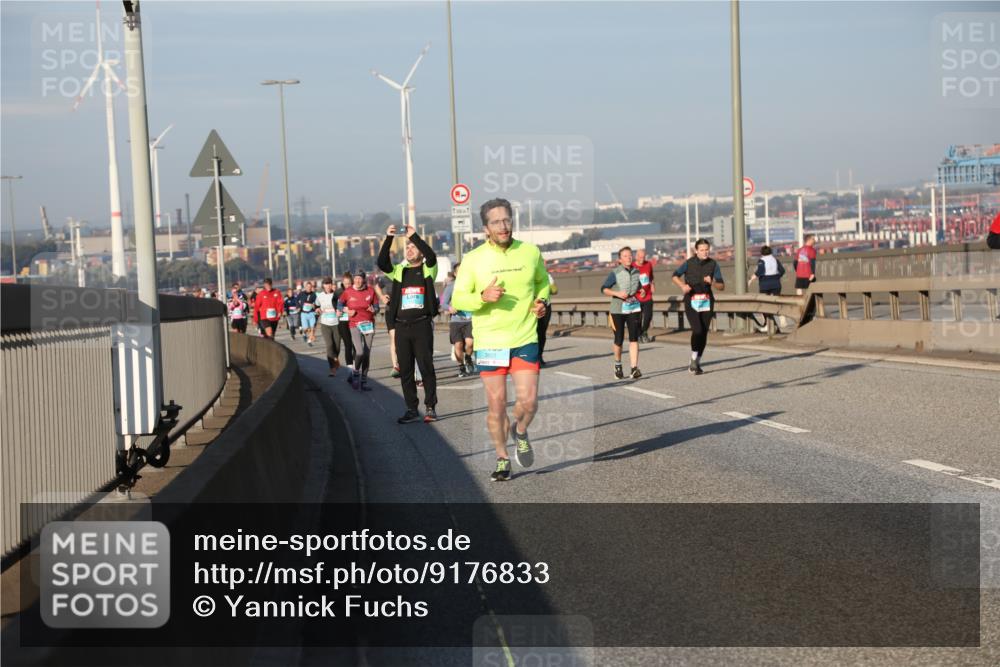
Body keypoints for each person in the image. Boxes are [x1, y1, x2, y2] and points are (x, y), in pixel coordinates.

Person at [451, 198, 551, 482]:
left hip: (524, 336)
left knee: (529, 402)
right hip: (490, 342)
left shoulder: (530, 252)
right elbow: (459, 299)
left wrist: (542, 300)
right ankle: (502, 458)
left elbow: (543, 282)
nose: (503, 226)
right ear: (486, 227)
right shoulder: (473, 259)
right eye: (496, 222)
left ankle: (519, 431)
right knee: (496, 405)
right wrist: (481, 297)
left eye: (506, 220)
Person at [377, 224, 439, 423]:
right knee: (405, 370)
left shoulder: (428, 269)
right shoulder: (399, 271)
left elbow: (432, 256)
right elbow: (382, 262)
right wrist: (388, 238)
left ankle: (430, 407)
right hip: (402, 326)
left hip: (421, 325)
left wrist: (415, 236)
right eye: (407, 247)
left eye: (413, 247)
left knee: (426, 367)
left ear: (420, 250)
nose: (409, 249)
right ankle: (412, 409)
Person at [672, 239, 725, 375]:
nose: (705, 252)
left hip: (706, 301)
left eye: (707, 249)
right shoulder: (689, 263)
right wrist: (683, 286)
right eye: (702, 249)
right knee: (697, 330)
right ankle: (694, 358)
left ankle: (697, 362)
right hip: (692, 300)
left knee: (704, 333)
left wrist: (712, 281)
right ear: (696, 251)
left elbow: (721, 286)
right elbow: (675, 276)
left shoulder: (713, 264)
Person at [601, 247, 643, 380]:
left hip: (633, 308)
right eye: (625, 256)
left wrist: (641, 291)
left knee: (634, 338)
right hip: (617, 310)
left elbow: (639, 286)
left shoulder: (636, 272)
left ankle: (634, 368)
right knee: (619, 339)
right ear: (620, 259)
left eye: (630, 255)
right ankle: (618, 365)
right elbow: (604, 289)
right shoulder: (615, 273)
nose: (628, 258)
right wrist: (617, 293)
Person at [338, 271, 378, 391]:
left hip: (368, 324)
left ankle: (364, 381)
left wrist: (374, 309)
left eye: (360, 279)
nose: (357, 281)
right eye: (356, 279)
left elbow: (376, 306)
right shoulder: (348, 291)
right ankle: (356, 372)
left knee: (366, 354)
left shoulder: (370, 291)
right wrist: (346, 311)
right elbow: (339, 305)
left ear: (364, 280)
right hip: (354, 324)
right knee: (359, 352)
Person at [440, 263, 475, 377]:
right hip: (456, 320)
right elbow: (443, 303)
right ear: (455, 274)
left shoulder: (473, 285)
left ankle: (468, 358)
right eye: (459, 272)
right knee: (458, 345)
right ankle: (461, 367)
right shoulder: (451, 287)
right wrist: (450, 308)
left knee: (470, 343)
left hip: (470, 319)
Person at [748, 245, 786, 333]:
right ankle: (781, 316)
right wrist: (776, 277)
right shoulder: (775, 260)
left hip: (765, 284)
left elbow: (760, 271)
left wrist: (750, 280)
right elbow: (782, 271)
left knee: (764, 305)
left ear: (762, 253)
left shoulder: (762, 260)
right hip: (776, 284)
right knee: (777, 302)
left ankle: (766, 325)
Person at [315, 277, 342, 376]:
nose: (328, 286)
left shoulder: (337, 295)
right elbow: (316, 305)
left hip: (337, 323)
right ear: (323, 285)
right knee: (329, 345)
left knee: (337, 345)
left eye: (329, 283)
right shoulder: (320, 296)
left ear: (332, 285)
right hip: (325, 324)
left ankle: (335, 357)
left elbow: (342, 305)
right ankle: (332, 368)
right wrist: (317, 309)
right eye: (326, 284)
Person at [632, 248, 655, 343]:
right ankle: (639, 334)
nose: (642, 259)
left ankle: (644, 331)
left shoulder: (648, 264)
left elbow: (651, 277)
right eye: (640, 257)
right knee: (637, 318)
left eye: (643, 257)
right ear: (636, 257)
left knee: (648, 315)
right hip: (636, 297)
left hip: (647, 295)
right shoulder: (632, 267)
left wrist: (652, 285)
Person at [334, 272, 356, 368]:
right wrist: (337, 310)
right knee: (348, 344)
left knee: (356, 344)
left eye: (349, 283)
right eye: (346, 283)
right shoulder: (338, 292)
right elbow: (334, 300)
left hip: (354, 320)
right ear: (342, 283)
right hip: (343, 321)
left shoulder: (355, 291)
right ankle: (350, 368)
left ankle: (356, 364)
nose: (347, 285)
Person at [537, 270, 557, 367]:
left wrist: (547, 287)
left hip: (545, 305)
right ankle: (534, 357)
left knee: (541, 332)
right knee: (536, 333)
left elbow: (555, 290)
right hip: (532, 306)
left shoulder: (547, 275)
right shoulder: (525, 274)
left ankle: (538, 356)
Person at [298, 281, 318, 346]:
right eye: (308, 287)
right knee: (306, 328)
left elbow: (317, 303)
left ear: (311, 287)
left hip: (311, 313)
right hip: (304, 314)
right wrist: (298, 306)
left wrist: (314, 306)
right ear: (305, 287)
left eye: (310, 287)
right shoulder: (301, 294)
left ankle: (309, 341)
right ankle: (304, 333)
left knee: (312, 328)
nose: (309, 288)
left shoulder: (314, 294)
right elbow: (296, 300)